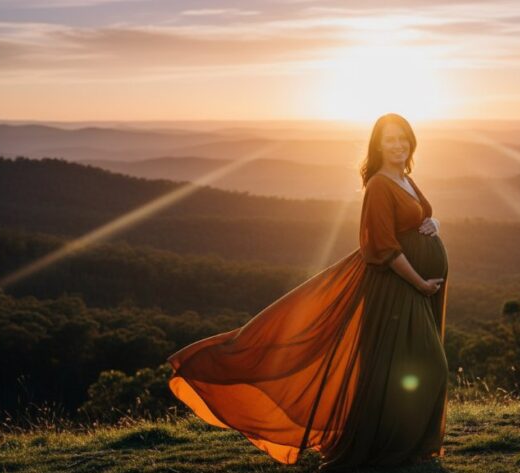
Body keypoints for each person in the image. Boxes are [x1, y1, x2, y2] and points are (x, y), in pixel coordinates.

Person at [166, 113, 450, 471]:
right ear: (377, 145)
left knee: (403, 369)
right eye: (390, 139)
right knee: (430, 366)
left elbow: (418, 216)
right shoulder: (380, 184)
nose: (398, 144)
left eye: (403, 138)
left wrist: (433, 222)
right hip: (398, 288)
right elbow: (382, 248)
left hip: (414, 289)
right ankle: (392, 447)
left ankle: (408, 447)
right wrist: (419, 282)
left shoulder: (405, 178)